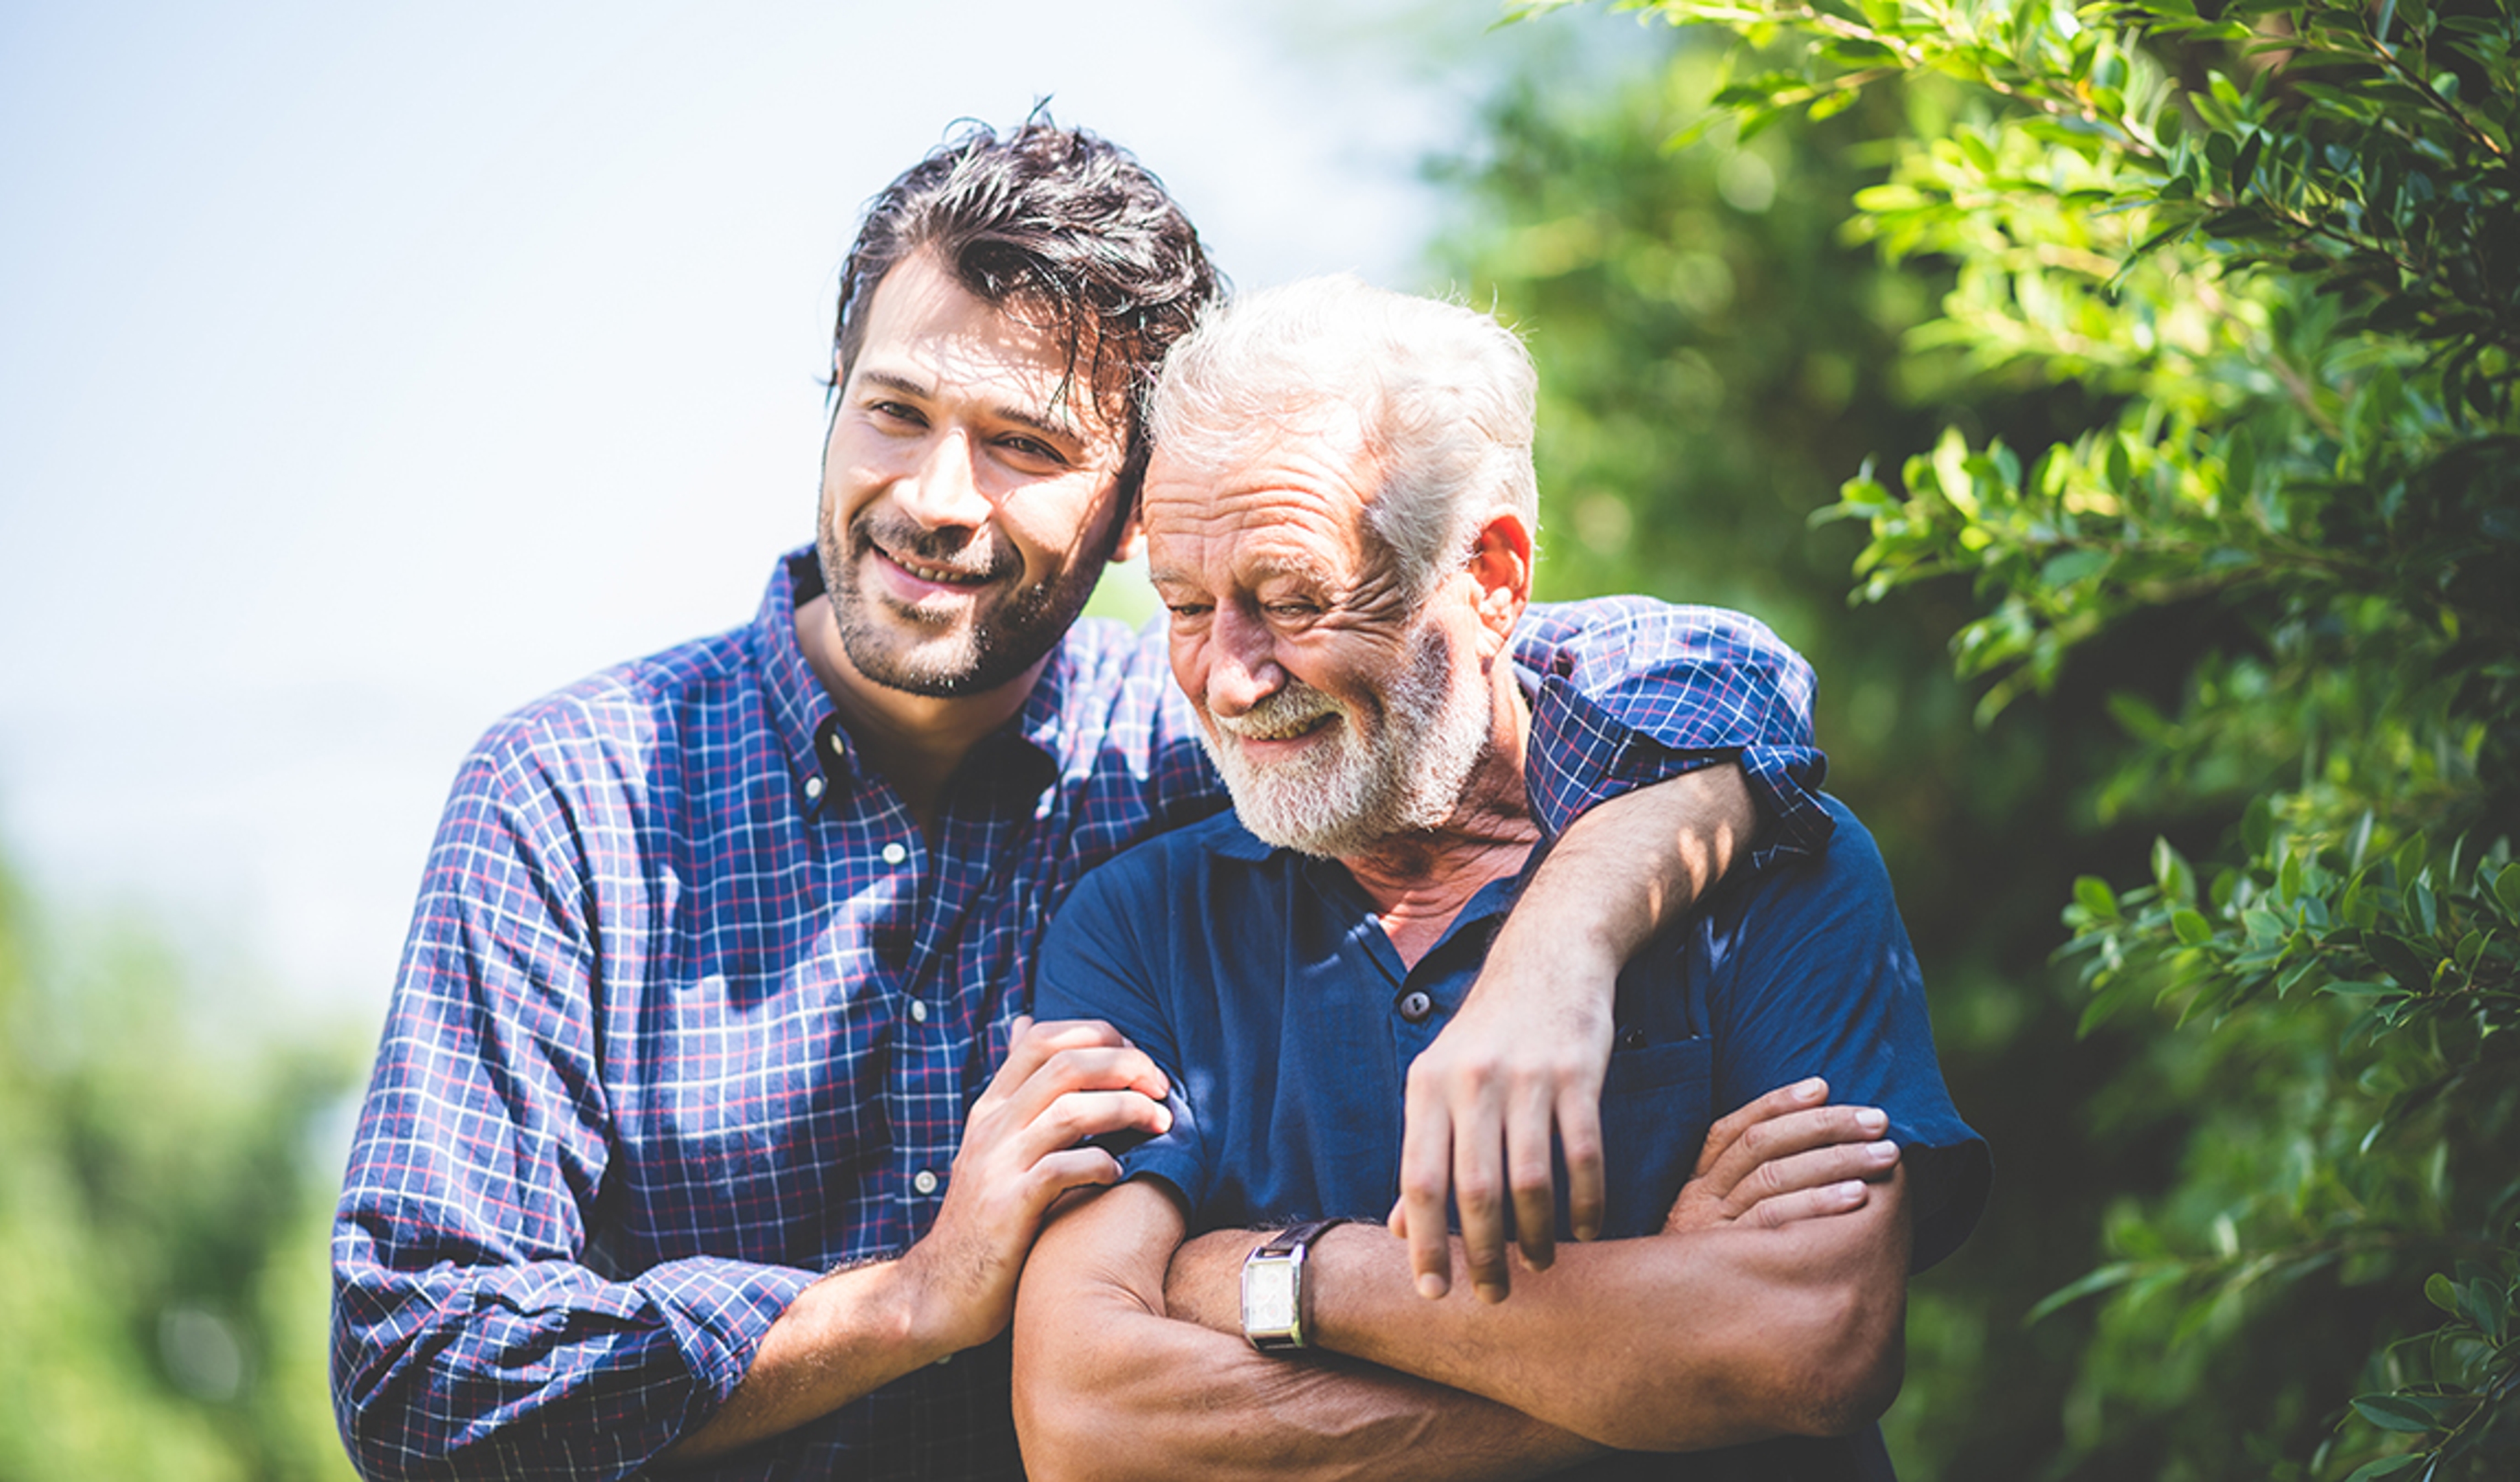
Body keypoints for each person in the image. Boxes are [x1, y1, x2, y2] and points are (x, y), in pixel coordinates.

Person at [330, 121, 1831, 1481]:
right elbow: (416, 1376)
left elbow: (1703, 675)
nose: (934, 495)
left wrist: (1559, 952)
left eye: (1028, 448)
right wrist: (910, 1298)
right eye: (895, 411)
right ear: (832, 401)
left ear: (1137, 513)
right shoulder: (570, 799)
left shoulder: (1203, 751)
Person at [1014, 277, 1991, 1481]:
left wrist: (1272, 1273)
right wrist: (1645, 1365)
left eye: (1295, 601)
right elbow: (1084, 1420)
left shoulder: (1772, 864)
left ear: (1490, 577)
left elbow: (1812, 1343)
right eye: (1183, 606)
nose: (1229, 678)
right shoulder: (1141, 924)